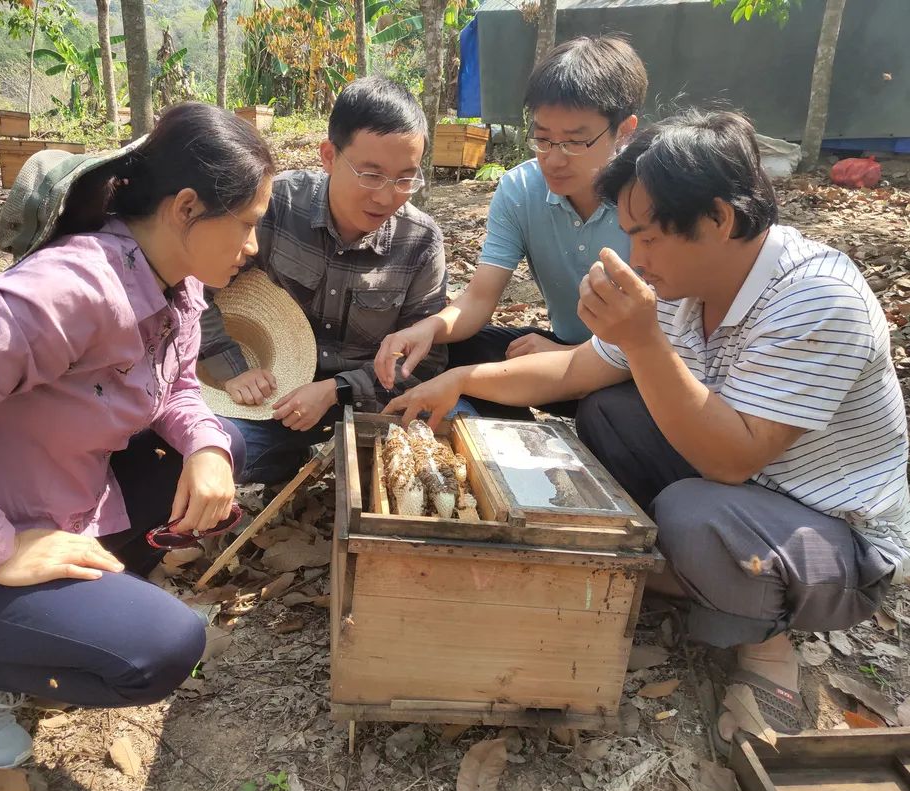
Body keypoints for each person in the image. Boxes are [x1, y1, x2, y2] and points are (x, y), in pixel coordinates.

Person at [385, 110, 909, 749]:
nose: (639, 257)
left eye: (650, 238)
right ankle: (674, 569)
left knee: (693, 515)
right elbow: (576, 370)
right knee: (608, 409)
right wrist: (463, 381)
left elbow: (733, 462)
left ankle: (764, 643)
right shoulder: (688, 280)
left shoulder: (819, 299)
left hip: (840, 539)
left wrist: (642, 337)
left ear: (719, 219)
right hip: (748, 490)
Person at [0, 103, 274, 775]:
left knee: (221, 444)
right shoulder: (77, 287)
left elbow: (175, 390)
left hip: (51, 504)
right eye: (249, 223)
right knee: (162, 650)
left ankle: (53, 619)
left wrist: (205, 445)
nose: (253, 245)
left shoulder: (180, 287)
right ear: (187, 208)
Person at [375, 35, 648, 419]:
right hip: (558, 355)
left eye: (574, 142)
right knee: (451, 352)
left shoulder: (651, 200)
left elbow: (672, 337)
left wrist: (570, 356)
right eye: (542, 139)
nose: (553, 159)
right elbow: (479, 299)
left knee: (604, 409)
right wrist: (429, 329)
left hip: (637, 368)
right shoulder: (521, 189)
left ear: (624, 130)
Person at [198, 76, 449, 484]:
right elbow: (198, 288)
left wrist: (336, 389)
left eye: (405, 179)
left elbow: (426, 359)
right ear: (329, 156)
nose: (387, 197)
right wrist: (231, 366)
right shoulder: (276, 206)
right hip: (269, 406)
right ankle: (283, 461)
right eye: (371, 175)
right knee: (211, 450)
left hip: (368, 407)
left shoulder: (420, 242)